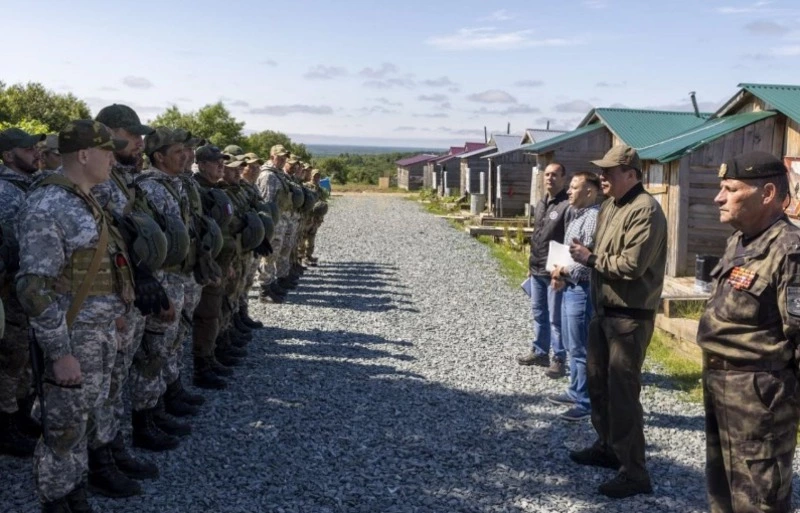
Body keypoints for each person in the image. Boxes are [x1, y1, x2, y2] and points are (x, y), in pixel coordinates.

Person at [16, 119, 133, 512]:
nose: (114, 159)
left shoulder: (87, 197)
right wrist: (60, 352)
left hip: (96, 335)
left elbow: (102, 268)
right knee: (62, 432)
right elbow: (34, 289)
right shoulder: (48, 205)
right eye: (107, 151)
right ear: (84, 154)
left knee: (83, 423)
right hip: (70, 339)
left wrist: (116, 313)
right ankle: (55, 500)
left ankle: (75, 493)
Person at [698, 152, 800, 513]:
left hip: (760, 397)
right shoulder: (740, 240)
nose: (718, 198)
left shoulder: (790, 250)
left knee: (760, 500)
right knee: (723, 492)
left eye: (730, 189)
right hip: (721, 384)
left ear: (767, 193)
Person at [567, 144, 666, 498]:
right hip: (604, 313)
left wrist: (590, 258)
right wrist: (576, 266)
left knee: (623, 396)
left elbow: (631, 265)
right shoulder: (611, 206)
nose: (602, 177)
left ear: (631, 174)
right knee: (599, 388)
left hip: (629, 318)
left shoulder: (646, 210)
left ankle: (634, 472)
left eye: (609, 172)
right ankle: (608, 448)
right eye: (602, 172)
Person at [0, 127, 44, 458]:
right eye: (28, 149)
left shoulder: (30, 186)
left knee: (29, 357)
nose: (36, 152)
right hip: (10, 289)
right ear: (8, 155)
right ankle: (5, 426)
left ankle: (22, 415)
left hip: (28, 289)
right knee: (10, 360)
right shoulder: (4, 191)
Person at [548, 171, 600, 422]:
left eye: (574, 187)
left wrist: (564, 270)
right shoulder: (578, 215)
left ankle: (585, 401)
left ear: (589, 191)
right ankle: (574, 390)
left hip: (582, 289)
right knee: (571, 344)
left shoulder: (592, 217)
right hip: (570, 285)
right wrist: (560, 272)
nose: (568, 191)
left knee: (580, 347)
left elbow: (586, 259)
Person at [517, 162, 569, 379]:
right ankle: (540, 351)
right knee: (539, 313)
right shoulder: (541, 203)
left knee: (556, 318)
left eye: (555, 175)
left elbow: (568, 240)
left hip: (554, 271)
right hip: (537, 268)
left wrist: (561, 271)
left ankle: (559, 358)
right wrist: (531, 266)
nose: (550, 178)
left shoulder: (567, 205)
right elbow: (537, 236)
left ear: (563, 178)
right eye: (547, 174)